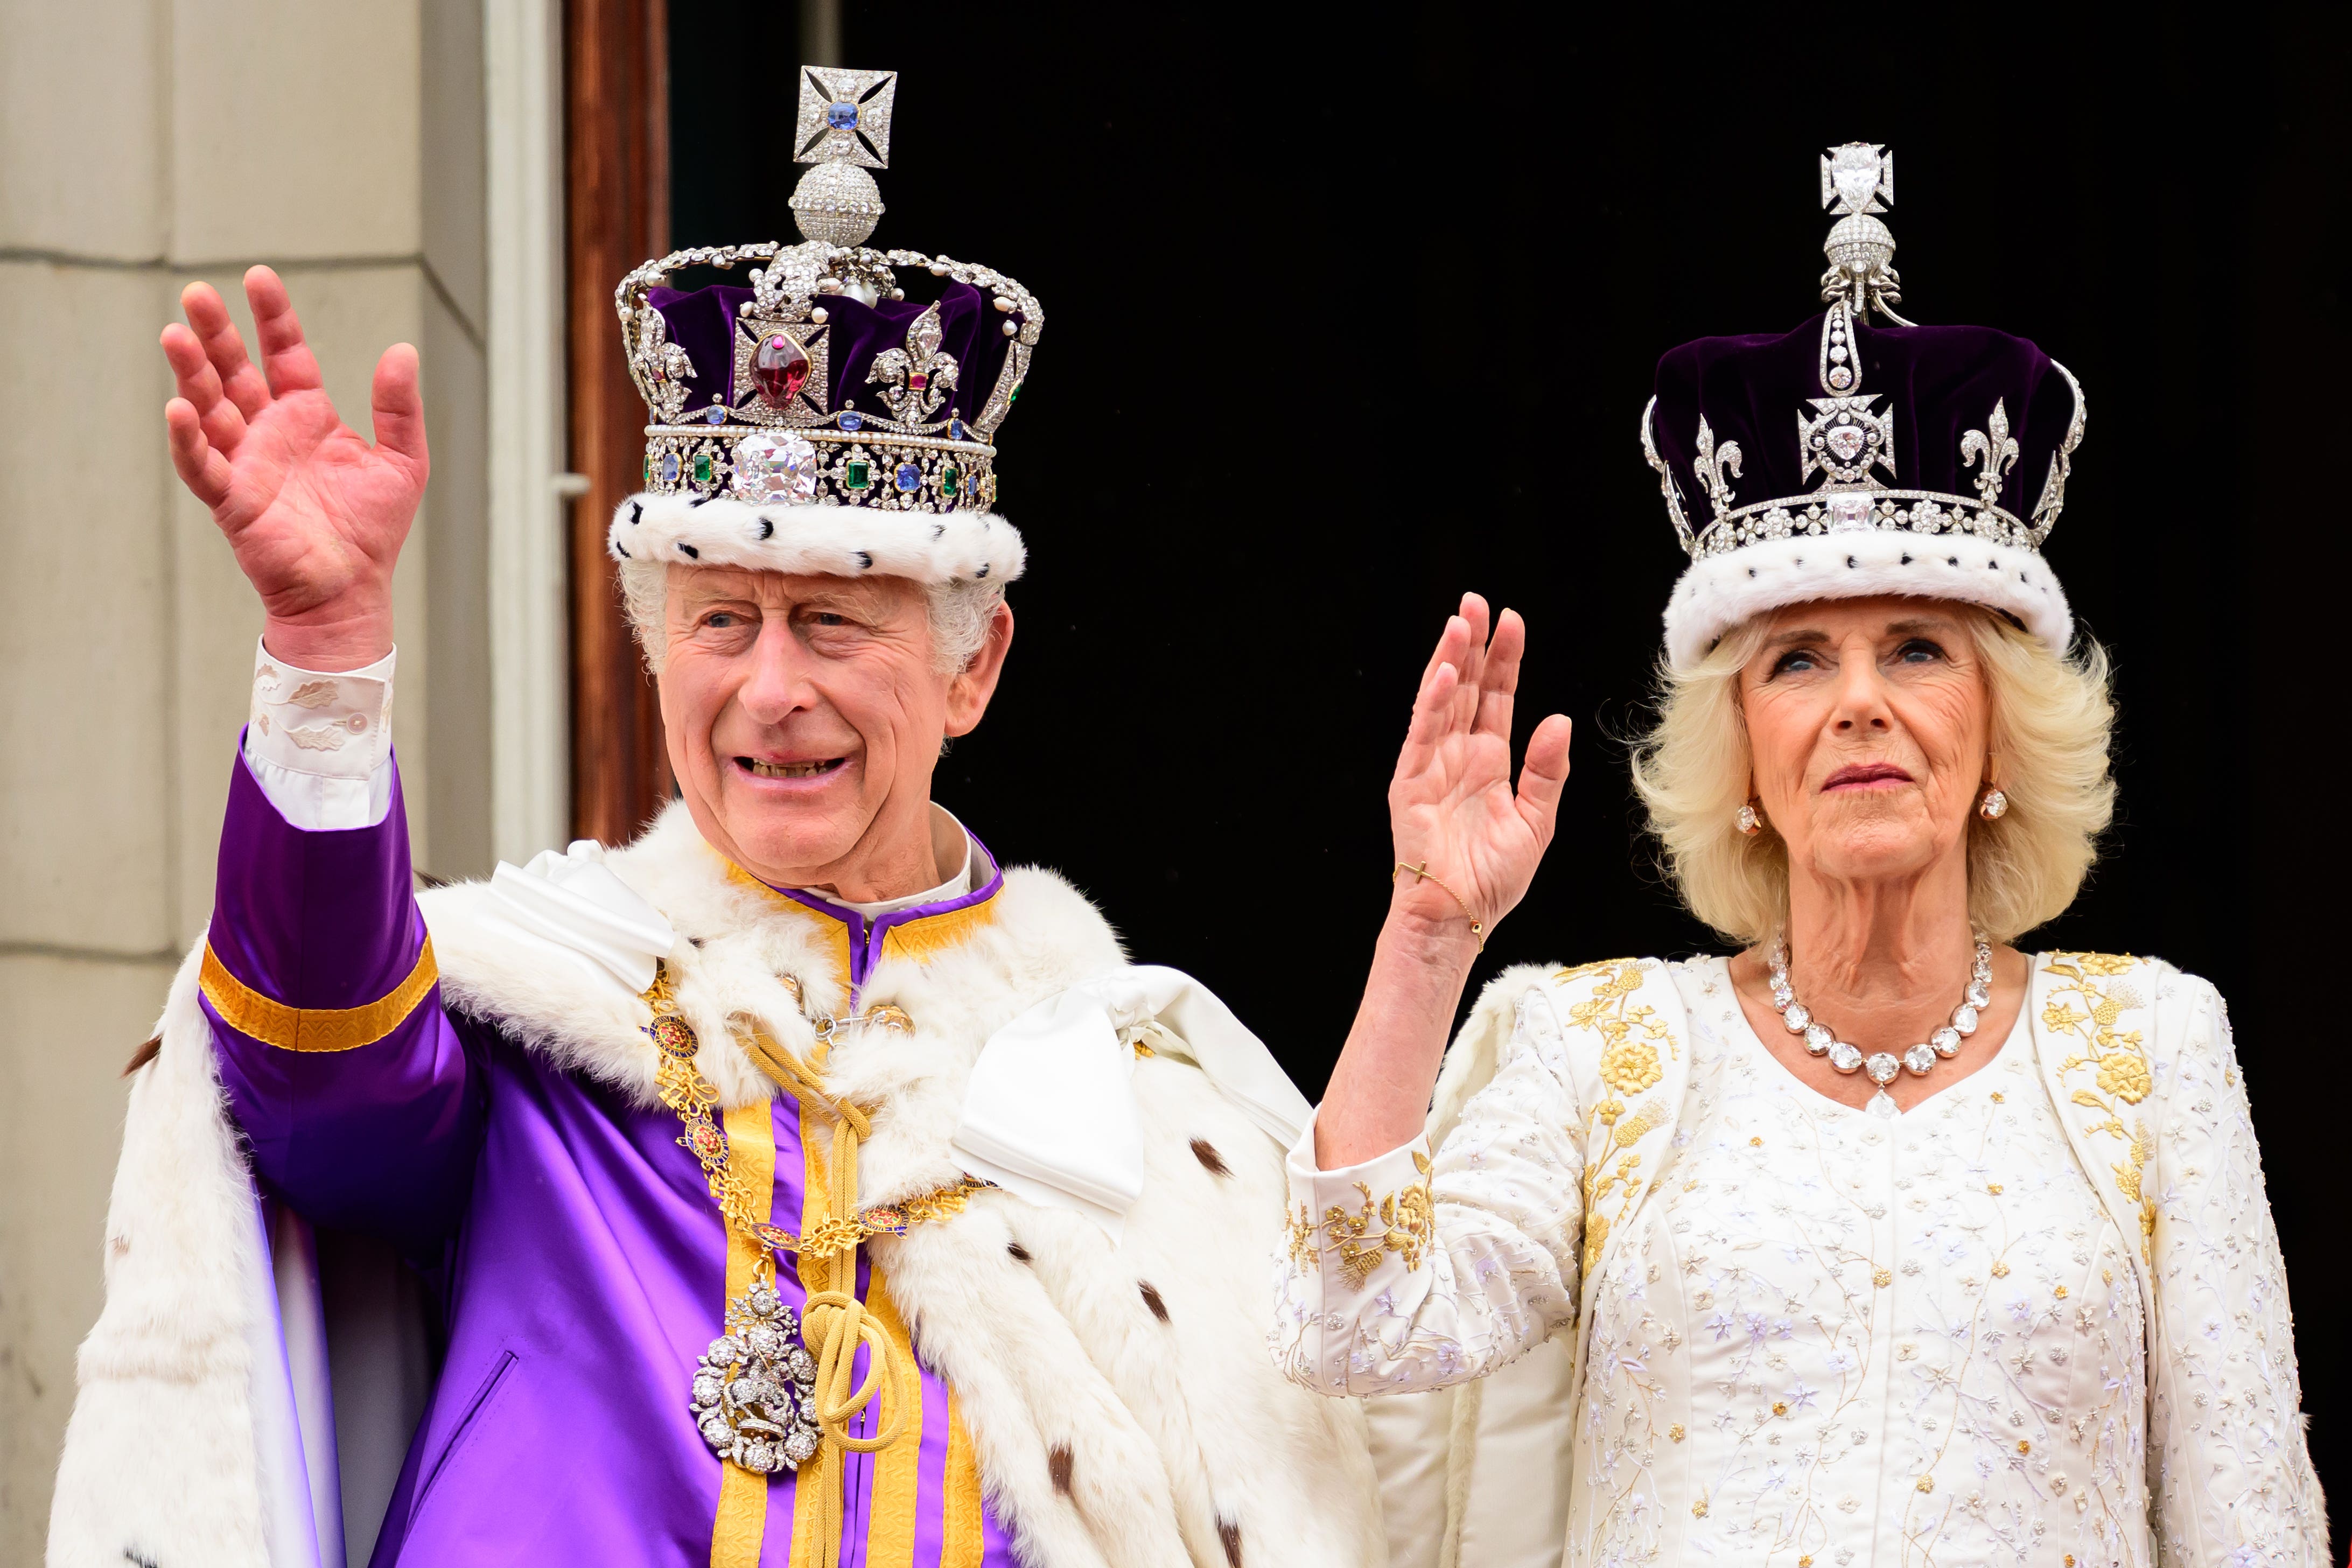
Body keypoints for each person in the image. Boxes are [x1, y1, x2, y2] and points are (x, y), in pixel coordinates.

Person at [52, 66, 1382, 1568]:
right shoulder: (549, 1012)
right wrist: (327, 654)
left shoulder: (1132, 1087)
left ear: (973, 668)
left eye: (830, 623)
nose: (768, 692)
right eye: (720, 623)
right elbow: (312, 1074)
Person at [1274, 144, 2326, 1565]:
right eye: (1799, 661)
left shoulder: (2154, 1046)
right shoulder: (1601, 1047)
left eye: (1916, 648)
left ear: (2001, 729)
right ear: (1746, 757)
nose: (1860, 703)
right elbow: (1361, 1330)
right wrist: (1428, 938)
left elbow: (2248, 1518)